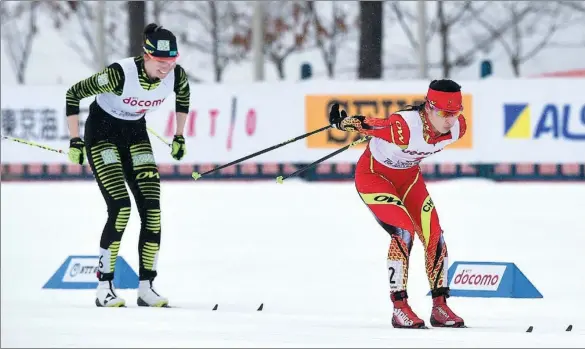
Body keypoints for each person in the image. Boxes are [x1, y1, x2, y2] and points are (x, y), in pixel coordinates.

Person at [65, 23, 190, 308]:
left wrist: (179, 135)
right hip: (102, 134)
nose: (166, 68)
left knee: (152, 210)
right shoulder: (119, 74)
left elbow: (183, 97)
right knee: (120, 208)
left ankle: (146, 288)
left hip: (135, 134)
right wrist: (74, 140)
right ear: (146, 56)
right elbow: (73, 94)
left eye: (171, 61)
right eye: (160, 62)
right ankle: (104, 287)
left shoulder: (176, 76)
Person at [329, 79, 467, 328]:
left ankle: (440, 307)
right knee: (404, 232)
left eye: (456, 113)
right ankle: (400, 308)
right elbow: (370, 124)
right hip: (374, 177)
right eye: (445, 113)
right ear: (429, 107)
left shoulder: (459, 128)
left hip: (409, 180)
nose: (450, 120)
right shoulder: (404, 126)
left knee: (435, 234)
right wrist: (342, 122)